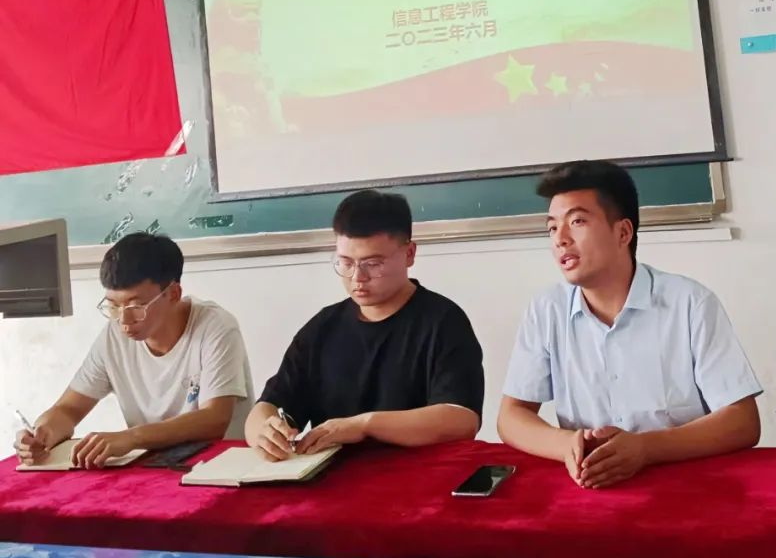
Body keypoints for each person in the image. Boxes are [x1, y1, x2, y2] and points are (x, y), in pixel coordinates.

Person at [498, 160, 761, 488]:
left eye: (577, 221)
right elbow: (511, 416)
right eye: (552, 228)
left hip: (685, 483)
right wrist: (565, 444)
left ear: (623, 232)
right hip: (591, 484)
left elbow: (743, 421)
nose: (560, 239)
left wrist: (646, 448)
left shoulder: (690, 303)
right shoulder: (546, 309)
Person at [246, 190, 484, 460]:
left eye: (372, 264)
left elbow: (460, 420)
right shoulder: (323, 328)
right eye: (345, 263)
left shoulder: (444, 322)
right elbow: (267, 407)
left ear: (409, 253)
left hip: (417, 474)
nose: (357, 277)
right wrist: (265, 431)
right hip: (333, 476)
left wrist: (365, 425)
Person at [14, 232, 254, 468]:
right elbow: (69, 409)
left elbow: (214, 419)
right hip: (153, 469)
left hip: (218, 467)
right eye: (113, 306)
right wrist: (43, 432)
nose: (124, 320)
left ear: (173, 294)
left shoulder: (216, 327)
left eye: (137, 306)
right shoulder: (114, 336)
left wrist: (132, 437)